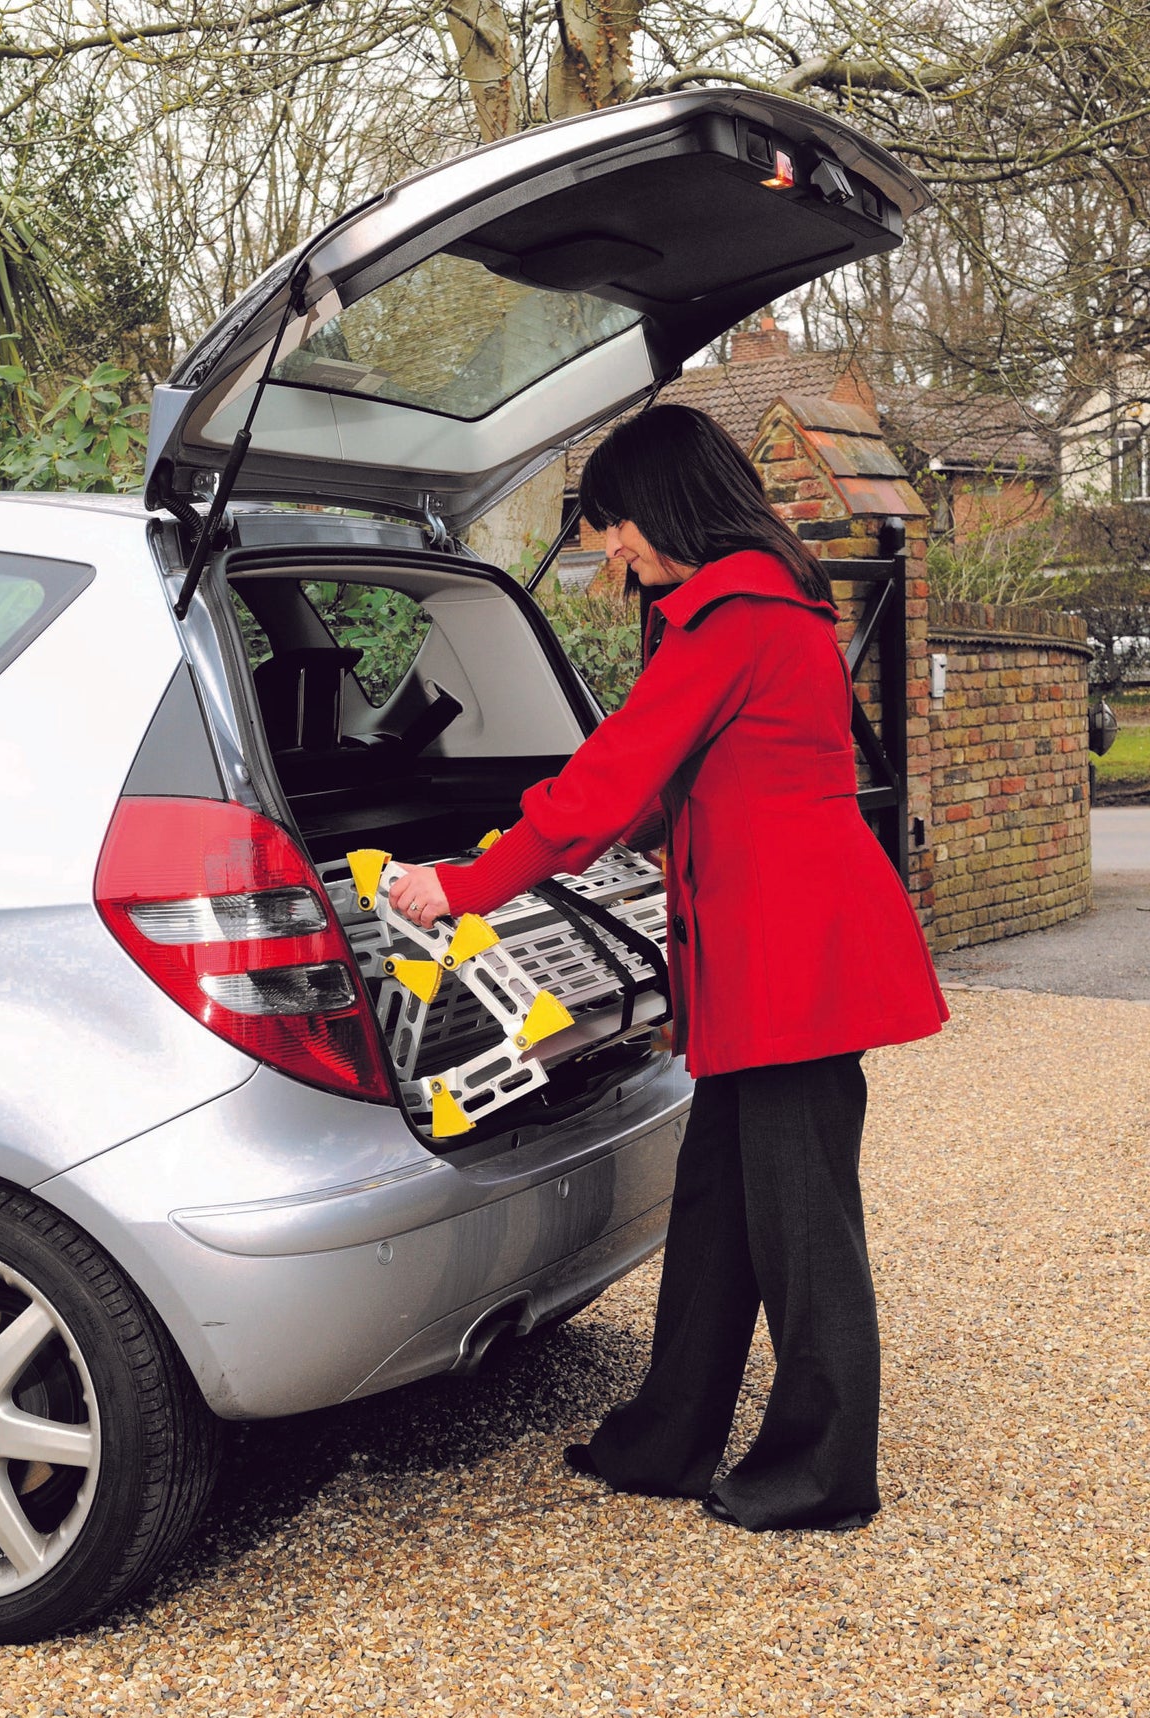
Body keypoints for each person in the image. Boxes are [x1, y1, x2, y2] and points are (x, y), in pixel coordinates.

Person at [389, 404, 948, 1532]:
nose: (612, 550)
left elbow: (610, 778)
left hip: (791, 965)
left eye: (615, 524)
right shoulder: (752, 606)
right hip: (767, 960)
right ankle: (669, 1436)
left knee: (805, 1229)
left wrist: (466, 884)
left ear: (665, 504)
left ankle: (824, 1473)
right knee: (716, 1212)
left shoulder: (734, 616)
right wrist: (555, 841)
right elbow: (678, 785)